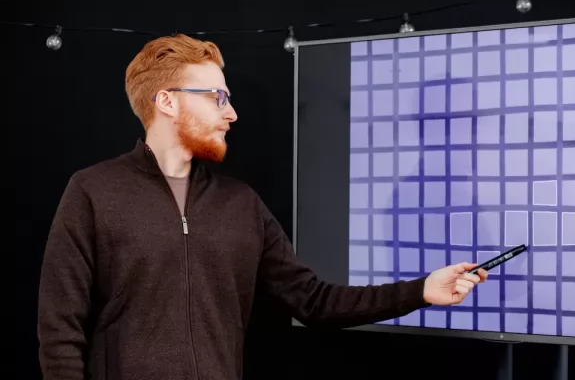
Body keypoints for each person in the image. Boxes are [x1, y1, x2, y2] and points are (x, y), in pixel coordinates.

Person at [37, 34, 488, 380]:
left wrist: (421, 290)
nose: (231, 113)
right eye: (217, 97)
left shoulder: (241, 204)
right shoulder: (93, 191)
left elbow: (314, 301)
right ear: (167, 101)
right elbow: (60, 330)